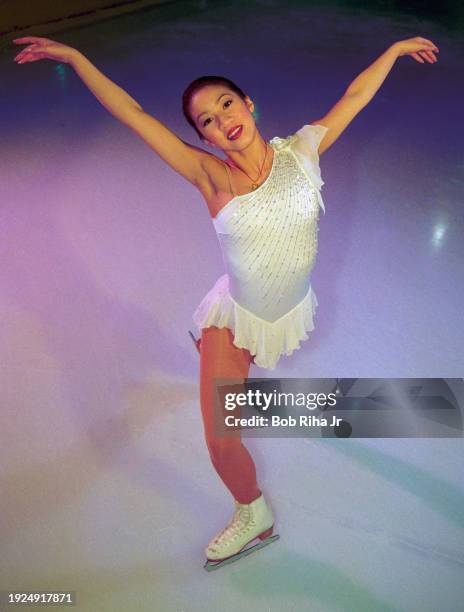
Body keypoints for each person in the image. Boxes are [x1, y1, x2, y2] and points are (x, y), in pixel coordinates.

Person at [13, 35, 439, 567]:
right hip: (236, 319)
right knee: (221, 437)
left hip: (289, 306)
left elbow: (354, 96)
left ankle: (215, 368)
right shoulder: (211, 177)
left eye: (226, 105)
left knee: (247, 380)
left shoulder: (303, 150)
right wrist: (76, 58)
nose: (220, 121)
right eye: (206, 121)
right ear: (204, 139)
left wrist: (395, 51)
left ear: (249, 104)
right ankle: (253, 511)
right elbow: (134, 114)